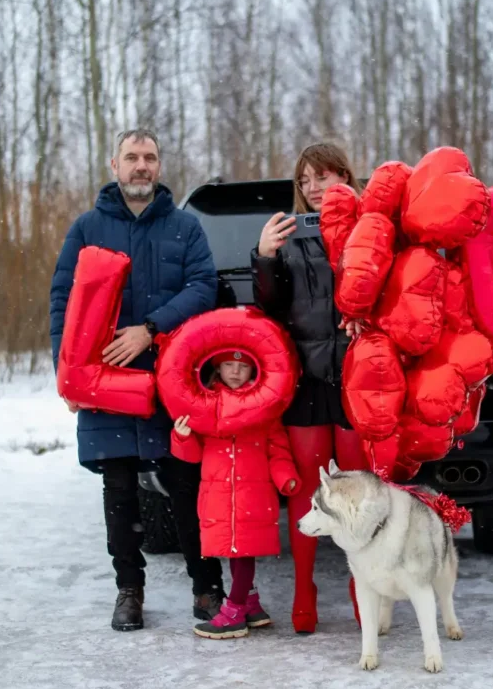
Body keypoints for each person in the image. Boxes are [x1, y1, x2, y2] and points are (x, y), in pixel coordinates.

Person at [49, 128, 225, 632]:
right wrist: (67, 378)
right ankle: (130, 591)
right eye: (132, 157)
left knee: (187, 486)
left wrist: (150, 329)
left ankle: (206, 587)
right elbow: (62, 301)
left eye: (149, 157)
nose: (141, 166)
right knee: (120, 490)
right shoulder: (87, 228)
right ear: (114, 164)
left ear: (159, 166)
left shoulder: (184, 227)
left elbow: (203, 287)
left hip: (173, 382)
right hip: (105, 383)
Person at [251, 142, 367, 634]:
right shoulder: (289, 237)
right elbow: (270, 306)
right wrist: (263, 256)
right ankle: (304, 586)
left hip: (361, 377)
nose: (316, 187)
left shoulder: (372, 229)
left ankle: (362, 584)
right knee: (306, 486)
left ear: (346, 175)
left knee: (358, 488)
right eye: (306, 180)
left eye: (325, 176)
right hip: (307, 379)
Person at [171, 351, 301, 639]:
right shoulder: (205, 405)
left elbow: (277, 448)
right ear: (218, 367)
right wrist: (182, 437)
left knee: (243, 552)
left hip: (251, 495)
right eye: (229, 364)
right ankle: (251, 604)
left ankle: (235, 611)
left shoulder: (264, 408)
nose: (235, 371)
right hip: (219, 493)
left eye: (243, 366)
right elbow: (193, 456)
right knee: (234, 550)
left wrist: (286, 477)